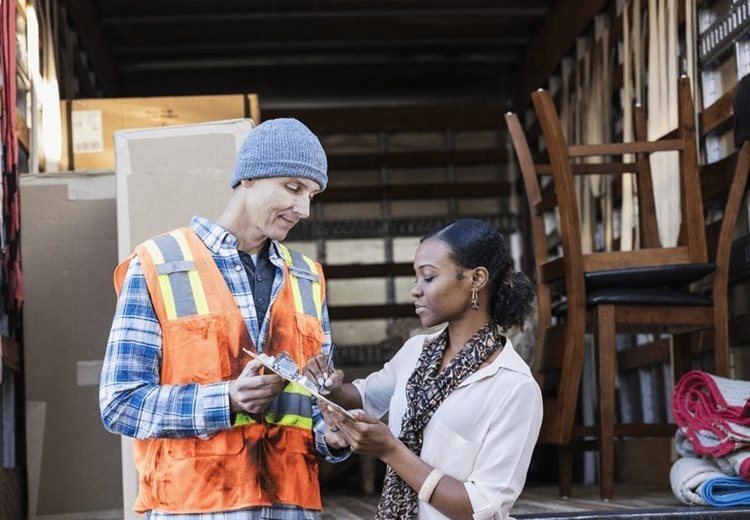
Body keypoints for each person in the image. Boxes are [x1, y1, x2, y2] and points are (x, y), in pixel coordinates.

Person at [99, 118, 348, 519]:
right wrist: (227, 399)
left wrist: (332, 434)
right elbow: (120, 403)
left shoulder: (307, 277)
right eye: (293, 187)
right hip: (194, 508)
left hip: (291, 507)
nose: (303, 209)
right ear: (248, 178)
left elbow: (310, 410)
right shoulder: (159, 264)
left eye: (312, 195)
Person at [306, 218, 543, 519]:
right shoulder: (416, 352)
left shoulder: (514, 387)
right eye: (416, 278)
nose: (415, 291)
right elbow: (362, 398)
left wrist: (391, 451)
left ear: (476, 279)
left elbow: (480, 507)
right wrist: (330, 386)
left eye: (428, 277)